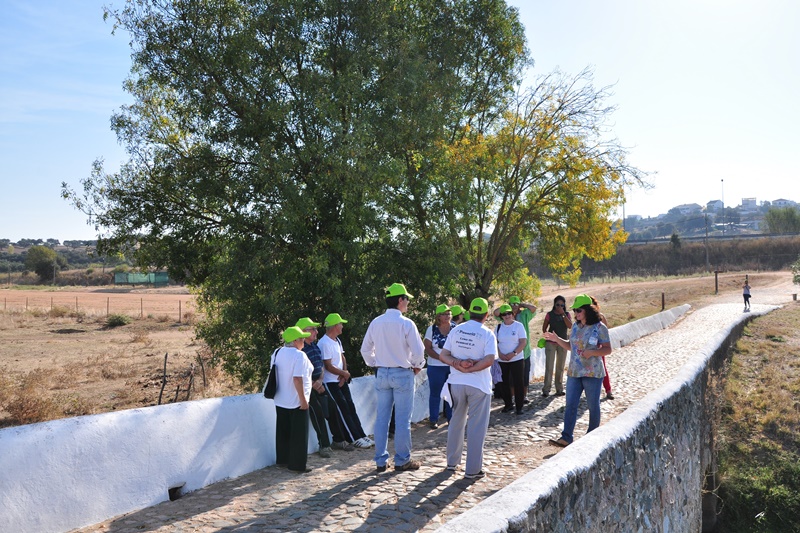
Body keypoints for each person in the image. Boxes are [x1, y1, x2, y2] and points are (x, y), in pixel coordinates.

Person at [361, 283, 426, 472]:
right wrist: (416, 366)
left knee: (382, 419)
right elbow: (419, 351)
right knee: (403, 420)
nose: (408, 303)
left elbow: (365, 350)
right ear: (400, 300)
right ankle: (402, 460)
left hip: (383, 373)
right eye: (406, 299)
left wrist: (375, 363)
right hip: (402, 373)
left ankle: (381, 461)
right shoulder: (406, 323)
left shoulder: (376, 322)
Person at [437, 297, 498, 479]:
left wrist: (457, 364)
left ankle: (452, 462)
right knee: (476, 427)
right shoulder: (487, 333)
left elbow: (443, 355)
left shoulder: (457, 331)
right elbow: (489, 360)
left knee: (456, 421)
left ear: (469, 313)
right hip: (478, 384)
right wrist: (471, 368)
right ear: (486, 315)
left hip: (456, 382)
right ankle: (472, 470)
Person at [545, 294, 612, 448]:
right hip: (574, 372)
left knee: (593, 405)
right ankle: (566, 437)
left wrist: (592, 352)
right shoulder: (575, 326)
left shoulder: (600, 327)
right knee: (570, 405)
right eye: (574, 310)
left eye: (579, 310)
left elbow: (608, 349)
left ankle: (592, 436)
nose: (576, 313)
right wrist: (556, 340)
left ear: (588, 310)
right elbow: (571, 346)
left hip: (592, 374)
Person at [319, 312, 374, 449]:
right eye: (340, 324)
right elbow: (328, 365)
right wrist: (343, 373)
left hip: (341, 380)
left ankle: (361, 434)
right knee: (342, 409)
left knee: (350, 406)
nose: (342, 326)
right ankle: (353, 438)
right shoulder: (324, 343)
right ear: (334, 326)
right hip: (331, 382)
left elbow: (342, 357)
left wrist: (345, 374)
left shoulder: (337, 340)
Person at [295, 317, 341, 458]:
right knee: (318, 413)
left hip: (318, 383)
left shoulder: (314, 346)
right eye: (312, 329)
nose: (316, 331)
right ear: (303, 332)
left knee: (333, 408)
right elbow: (300, 371)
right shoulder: (300, 350)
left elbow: (320, 366)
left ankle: (338, 440)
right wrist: (314, 384)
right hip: (308, 387)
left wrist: (320, 380)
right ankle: (324, 445)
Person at [273, 326, 314, 473]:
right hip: (296, 400)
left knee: (283, 431)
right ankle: (297, 465)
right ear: (295, 341)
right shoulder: (299, 355)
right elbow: (297, 379)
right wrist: (303, 400)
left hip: (280, 398)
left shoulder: (277, 352)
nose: (304, 341)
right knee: (299, 434)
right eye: (302, 338)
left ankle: (283, 460)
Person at [494, 296, 537, 398]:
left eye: (516, 304)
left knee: (524, 375)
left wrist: (523, 304)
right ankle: (512, 397)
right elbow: (495, 312)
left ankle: (524, 396)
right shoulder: (505, 315)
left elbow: (534, 309)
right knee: (510, 378)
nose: (514, 306)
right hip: (506, 355)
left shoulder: (524, 314)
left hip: (524, 350)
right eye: (512, 304)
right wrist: (506, 307)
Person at [423, 304, 454, 428]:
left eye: (449, 314)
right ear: (438, 316)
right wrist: (441, 358)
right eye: (444, 314)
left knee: (451, 393)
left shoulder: (455, 329)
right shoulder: (431, 329)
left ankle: (451, 418)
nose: (447, 316)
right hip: (435, 366)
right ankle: (433, 419)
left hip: (452, 365)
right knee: (435, 393)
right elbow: (428, 348)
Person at [494, 304, 527, 414]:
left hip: (516, 359)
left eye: (509, 313)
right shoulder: (498, 327)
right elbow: (495, 343)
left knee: (518, 382)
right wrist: (500, 354)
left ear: (512, 314)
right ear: (501, 316)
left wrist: (513, 353)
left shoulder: (518, 326)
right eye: (504, 314)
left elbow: (523, 342)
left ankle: (519, 406)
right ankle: (508, 404)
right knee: (504, 383)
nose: (507, 316)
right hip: (502, 359)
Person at [541, 296, 572, 397]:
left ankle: (559, 388)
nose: (559, 306)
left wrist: (563, 314)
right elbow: (544, 327)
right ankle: (546, 389)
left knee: (560, 366)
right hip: (550, 343)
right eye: (557, 304)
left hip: (563, 342)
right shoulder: (549, 314)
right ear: (554, 304)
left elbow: (570, 326)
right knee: (549, 366)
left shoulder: (567, 314)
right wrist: (546, 335)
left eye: (562, 305)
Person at [589, 295, 613, 400]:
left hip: (599, 348)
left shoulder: (601, 317)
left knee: (602, 368)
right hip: (588, 348)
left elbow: (605, 333)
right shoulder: (584, 319)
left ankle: (608, 390)